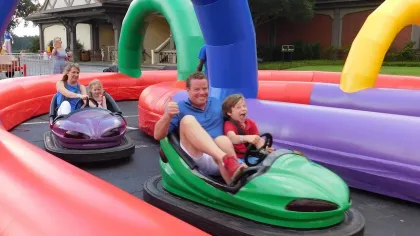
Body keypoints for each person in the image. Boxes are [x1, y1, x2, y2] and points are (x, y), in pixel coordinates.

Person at [154, 72, 247, 185]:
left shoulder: (216, 103)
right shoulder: (179, 107)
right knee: (188, 119)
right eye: (197, 89)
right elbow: (158, 135)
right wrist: (167, 116)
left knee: (223, 140)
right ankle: (227, 160)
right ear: (187, 90)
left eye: (205, 88)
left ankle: (235, 187)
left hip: (219, 158)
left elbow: (233, 119)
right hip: (197, 155)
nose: (202, 93)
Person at [222, 94, 274, 164]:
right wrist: (245, 138)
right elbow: (232, 137)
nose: (243, 109)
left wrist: (265, 148)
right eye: (238, 107)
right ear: (229, 112)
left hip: (252, 155)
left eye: (244, 106)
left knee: (269, 160)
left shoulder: (251, 123)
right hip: (239, 158)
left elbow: (257, 140)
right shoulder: (229, 125)